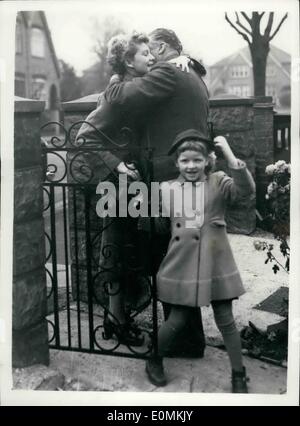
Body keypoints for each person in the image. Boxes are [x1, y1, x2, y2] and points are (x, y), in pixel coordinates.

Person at [104, 28, 209, 356]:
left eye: (152, 50)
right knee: (181, 259)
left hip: (166, 181)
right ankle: (188, 339)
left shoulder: (169, 70)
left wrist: (113, 84)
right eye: (144, 53)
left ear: (162, 47)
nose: (150, 57)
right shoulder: (192, 72)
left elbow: (121, 96)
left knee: (170, 260)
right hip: (187, 177)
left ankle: (178, 340)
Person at [145, 129, 255, 393]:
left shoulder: (219, 181)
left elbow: (246, 190)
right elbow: (157, 224)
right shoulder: (166, 189)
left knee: (226, 319)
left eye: (197, 160)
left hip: (216, 262)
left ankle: (238, 373)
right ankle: (153, 358)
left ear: (208, 160)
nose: (191, 166)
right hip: (183, 262)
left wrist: (228, 151)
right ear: (176, 163)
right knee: (178, 320)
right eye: (185, 161)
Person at [76, 32, 155, 346]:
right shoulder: (114, 95)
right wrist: (118, 164)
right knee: (113, 251)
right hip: (115, 186)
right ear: (128, 61)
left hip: (133, 187)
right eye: (145, 53)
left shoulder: (131, 91)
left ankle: (118, 318)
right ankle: (115, 320)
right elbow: (83, 137)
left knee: (128, 252)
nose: (151, 58)